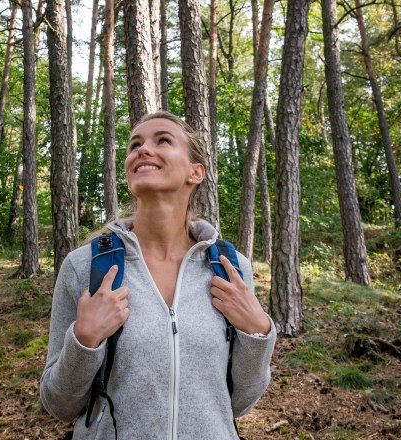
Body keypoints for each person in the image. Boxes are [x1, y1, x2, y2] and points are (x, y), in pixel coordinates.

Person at [40, 111, 276, 439]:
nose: (142, 150)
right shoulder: (85, 267)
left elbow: (237, 403)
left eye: (162, 140)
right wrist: (85, 339)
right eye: (135, 144)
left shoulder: (231, 268)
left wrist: (259, 332)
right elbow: (59, 403)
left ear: (196, 172)